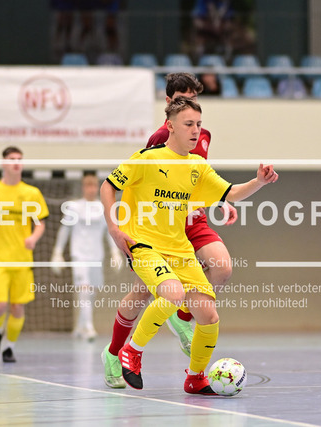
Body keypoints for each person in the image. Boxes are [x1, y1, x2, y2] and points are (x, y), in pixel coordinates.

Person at [101, 96, 278, 393]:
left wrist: (259, 181)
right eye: (188, 124)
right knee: (172, 293)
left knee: (208, 315)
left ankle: (195, 378)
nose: (195, 130)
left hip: (179, 248)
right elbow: (108, 186)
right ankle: (131, 351)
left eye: (198, 124)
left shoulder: (197, 166)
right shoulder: (147, 158)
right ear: (170, 126)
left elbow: (231, 193)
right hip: (144, 244)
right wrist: (114, 228)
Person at [0, 146, 49, 363]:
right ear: (3, 163)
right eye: (11, 159)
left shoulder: (32, 193)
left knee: (17, 307)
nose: (16, 162)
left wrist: (33, 238)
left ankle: (9, 347)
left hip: (22, 259)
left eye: (19, 159)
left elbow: (40, 223)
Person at [50, 171, 122, 341]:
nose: (91, 189)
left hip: (97, 256)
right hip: (79, 255)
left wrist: (115, 252)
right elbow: (65, 230)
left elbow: (110, 231)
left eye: (94, 185)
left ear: (97, 187)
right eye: (88, 185)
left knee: (92, 292)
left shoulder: (103, 208)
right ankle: (89, 327)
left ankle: (80, 326)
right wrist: (57, 252)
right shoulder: (74, 207)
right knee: (84, 289)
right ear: (83, 187)